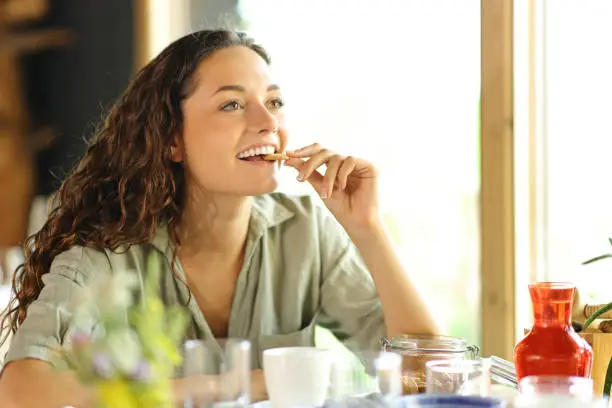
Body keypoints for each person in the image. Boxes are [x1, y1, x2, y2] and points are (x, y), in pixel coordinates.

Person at [0, 29, 440, 407]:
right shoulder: (107, 255)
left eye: (275, 101)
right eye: (232, 105)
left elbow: (428, 376)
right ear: (172, 139)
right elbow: (18, 390)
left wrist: (369, 230)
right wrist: (228, 386)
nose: (268, 120)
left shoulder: (307, 232)